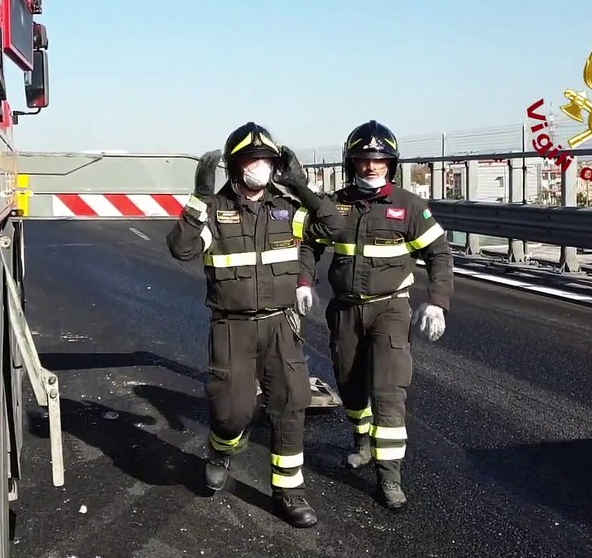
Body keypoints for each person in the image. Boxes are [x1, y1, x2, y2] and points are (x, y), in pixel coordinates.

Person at [167, 121, 343, 528]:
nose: (259, 168)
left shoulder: (287, 208)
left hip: (281, 325)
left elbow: (334, 227)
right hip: (233, 327)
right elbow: (181, 249)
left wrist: (301, 187)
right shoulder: (215, 210)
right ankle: (221, 449)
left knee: (291, 401)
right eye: (251, 160)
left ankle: (289, 491)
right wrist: (197, 200)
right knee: (233, 411)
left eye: (266, 160)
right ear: (235, 166)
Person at [298, 120, 453, 509]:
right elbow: (309, 246)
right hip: (346, 310)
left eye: (379, 160)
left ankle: (390, 476)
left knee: (389, 391)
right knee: (350, 385)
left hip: (391, 310)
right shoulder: (336, 205)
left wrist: (437, 300)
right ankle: (361, 441)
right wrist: (303, 281)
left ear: (391, 164)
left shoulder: (409, 207)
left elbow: (439, 254)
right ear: (352, 163)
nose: (371, 167)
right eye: (363, 160)